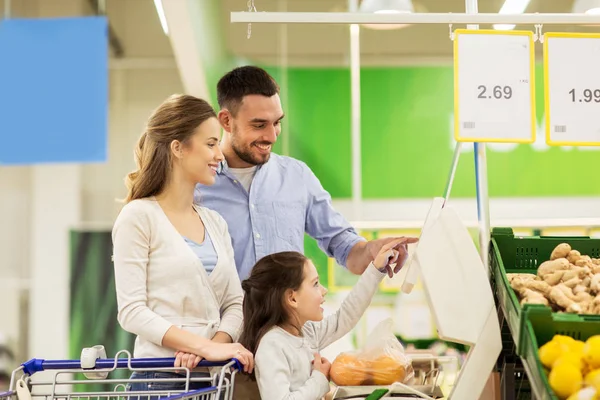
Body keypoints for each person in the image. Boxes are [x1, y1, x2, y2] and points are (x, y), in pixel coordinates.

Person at [195, 65, 418, 281]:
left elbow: (343, 245)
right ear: (226, 120)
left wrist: (371, 249)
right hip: (222, 319)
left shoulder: (297, 177)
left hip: (287, 320)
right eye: (259, 125)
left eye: (277, 122)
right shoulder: (196, 186)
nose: (272, 136)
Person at [112, 94, 254, 395]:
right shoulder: (138, 216)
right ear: (178, 147)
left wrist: (210, 350)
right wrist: (200, 345)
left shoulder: (215, 222)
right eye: (211, 143)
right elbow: (132, 311)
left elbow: (234, 303)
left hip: (209, 381)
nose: (219, 155)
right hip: (157, 380)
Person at [239, 239, 408, 399]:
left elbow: (346, 316)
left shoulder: (306, 331)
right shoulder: (272, 345)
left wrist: (376, 269)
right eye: (315, 284)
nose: (324, 290)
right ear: (292, 299)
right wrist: (320, 378)